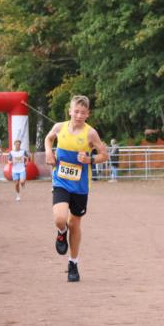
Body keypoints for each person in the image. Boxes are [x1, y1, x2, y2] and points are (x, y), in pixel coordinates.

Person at [45, 95, 109, 283]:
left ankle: (73, 263)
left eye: (83, 112)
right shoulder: (59, 127)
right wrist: (49, 152)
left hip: (80, 186)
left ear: (88, 114)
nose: (79, 115)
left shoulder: (91, 134)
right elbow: (48, 139)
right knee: (60, 219)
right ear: (70, 111)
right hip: (61, 181)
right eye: (76, 111)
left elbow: (104, 155)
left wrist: (90, 160)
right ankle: (61, 232)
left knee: (75, 224)